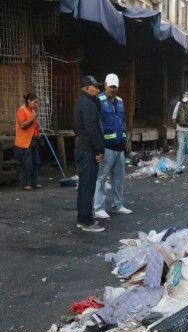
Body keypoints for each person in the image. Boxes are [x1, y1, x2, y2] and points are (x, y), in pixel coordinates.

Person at [93, 73, 132, 219]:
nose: (112, 89)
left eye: (115, 87)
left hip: (119, 146)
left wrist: (126, 138)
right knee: (101, 177)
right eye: (110, 87)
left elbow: (122, 121)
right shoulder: (99, 100)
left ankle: (118, 205)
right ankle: (98, 208)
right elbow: (95, 123)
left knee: (118, 178)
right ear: (105, 85)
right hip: (106, 146)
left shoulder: (120, 101)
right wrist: (97, 145)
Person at [73, 75, 105, 232]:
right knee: (88, 186)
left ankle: (82, 218)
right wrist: (99, 149)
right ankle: (87, 221)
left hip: (83, 148)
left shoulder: (83, 102)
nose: (98, 89)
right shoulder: (87, 104)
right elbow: (92, 128)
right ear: (86, 87)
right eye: (95, 87)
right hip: (88, 150)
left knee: (84, 186)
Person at [14, 92, 41, 190]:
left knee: (36, 162)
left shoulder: (32, 110)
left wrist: (38, 134)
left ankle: (34, 182)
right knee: (27, 163)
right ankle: (26, 183)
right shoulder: (22, 110)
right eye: (35, 102)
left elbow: (34, 125)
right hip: (24, 141)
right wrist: (32, 118)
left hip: (33, 139)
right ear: (29, 101)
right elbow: (22, 125)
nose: (36, 104)